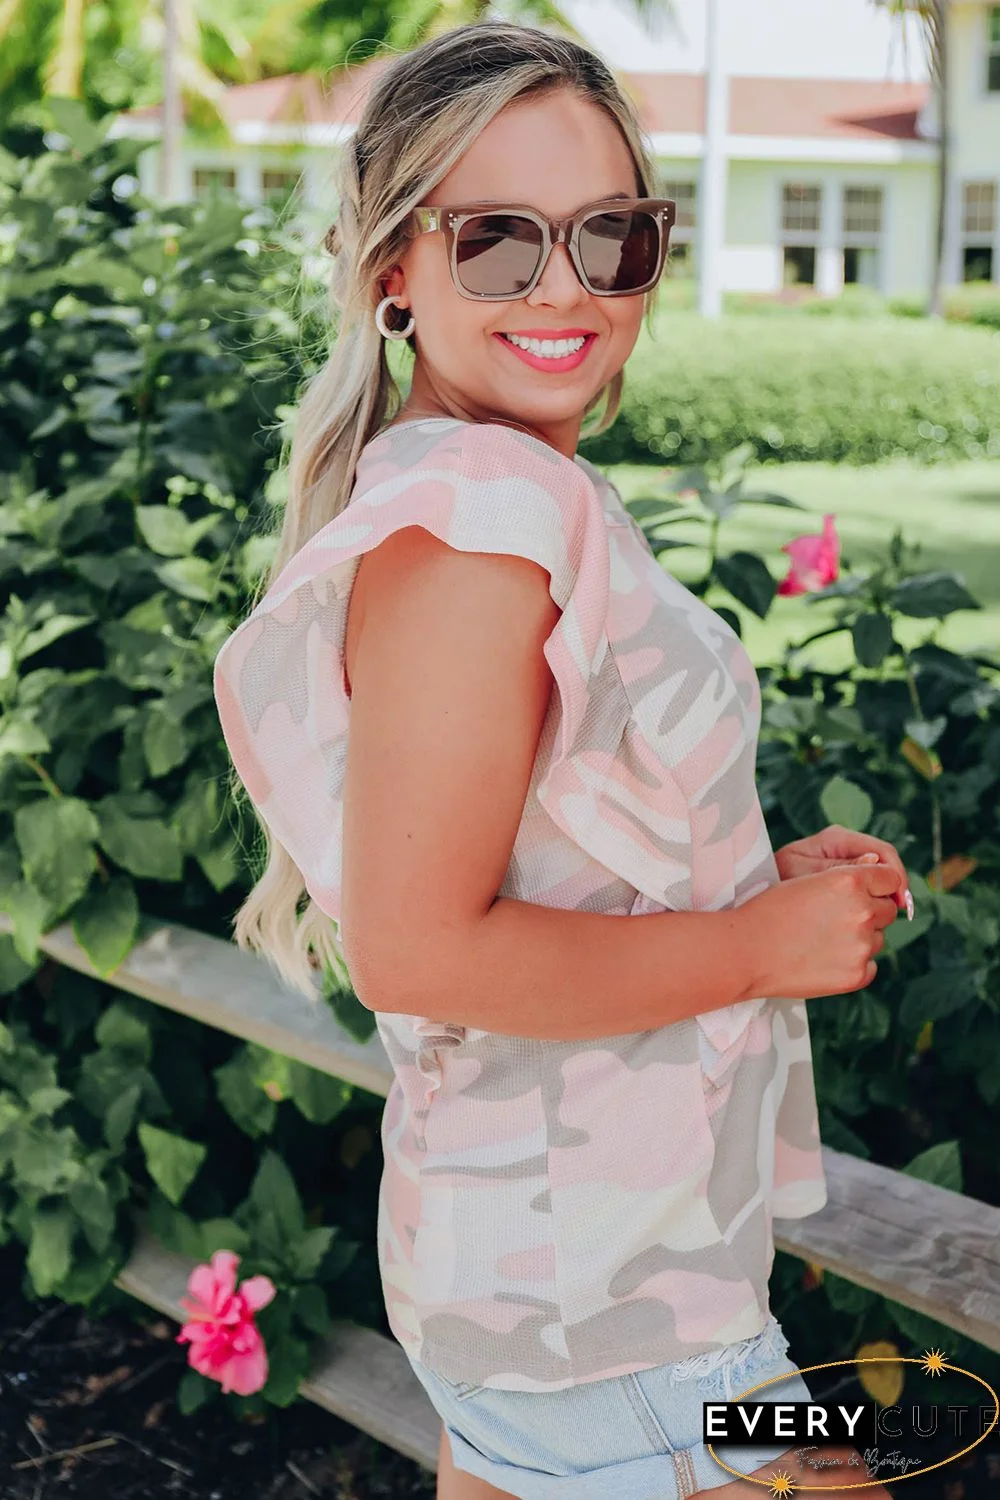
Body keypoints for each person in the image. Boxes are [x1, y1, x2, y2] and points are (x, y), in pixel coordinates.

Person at [212, 20, 909, 1500]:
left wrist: (747, 886)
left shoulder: (487, 490)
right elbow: (420, 949)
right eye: (497, 242)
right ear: (394, 264)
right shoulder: (477, 528)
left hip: (559, 1287)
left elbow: (529, 842)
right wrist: (750, 946)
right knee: (845, 1462)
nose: (565, 289)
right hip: (623, 1327)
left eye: (613, 237)